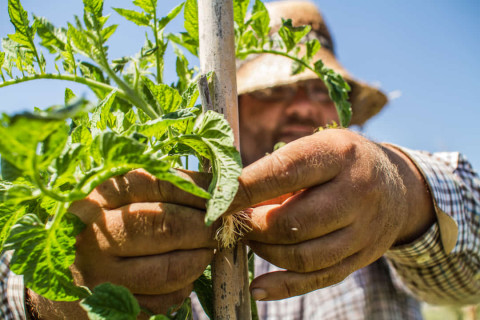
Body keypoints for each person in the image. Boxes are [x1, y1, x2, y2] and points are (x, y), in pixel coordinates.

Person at [1, 1, 479, 319]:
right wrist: (58, 294)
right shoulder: (172, 202)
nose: (304, 106)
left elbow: (469, 271)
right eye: (276, 89)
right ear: (233, 107)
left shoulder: (373, 208)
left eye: (320, 88)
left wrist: (404, 195)